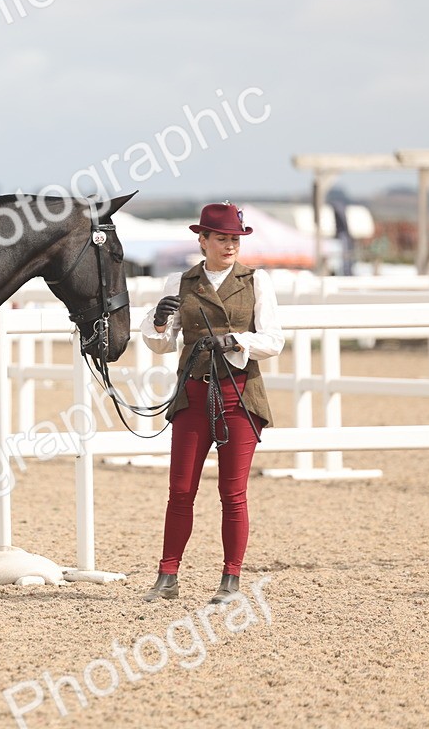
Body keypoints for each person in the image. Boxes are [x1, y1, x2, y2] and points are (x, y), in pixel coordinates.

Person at [139, 202, 284, 604]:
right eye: (221, 238)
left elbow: (273, 340)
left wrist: (237, 340)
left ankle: (231, 580)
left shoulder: (256, 282)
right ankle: (167, 576)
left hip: (238, 393)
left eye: (235, 239)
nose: (230, 245)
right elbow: (162, 344)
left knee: (232, 492)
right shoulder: (179, 281)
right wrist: (158, 321)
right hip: (194, 393)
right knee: (180, 489)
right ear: (202, 240)